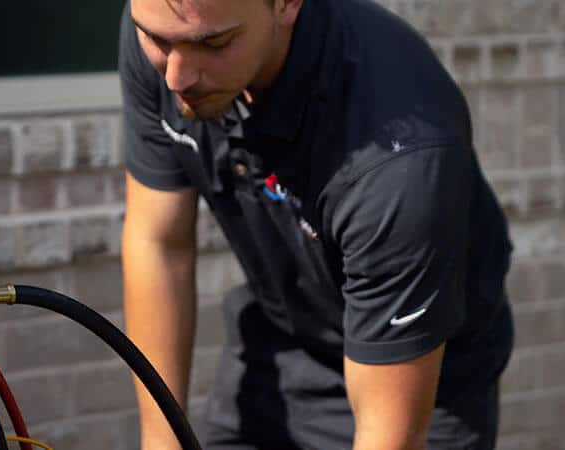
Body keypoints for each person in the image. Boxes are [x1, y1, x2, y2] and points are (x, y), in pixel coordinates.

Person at [118, 0, 515, 449]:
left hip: (423, 373)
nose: (176, 78)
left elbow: (391, 437)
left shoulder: (397, 159)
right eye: (156, 40)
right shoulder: (171, 25)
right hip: (280, 341)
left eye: (214, 43)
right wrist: (162, 441)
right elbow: (160, 244)